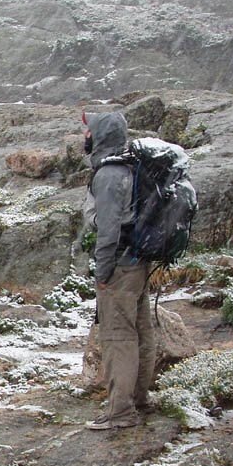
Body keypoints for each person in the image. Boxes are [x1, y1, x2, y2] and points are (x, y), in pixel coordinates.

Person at [82, 111, 156, 430]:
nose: (85, 136)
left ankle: (121, 412)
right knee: (140, 330)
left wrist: (103, 271)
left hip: (121, 266)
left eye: (89, 131)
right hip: (138, 261)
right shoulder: (131, 165)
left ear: (100, 136)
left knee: (118, 335)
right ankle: (138, 399)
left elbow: (108, 230)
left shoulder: (109, 173)